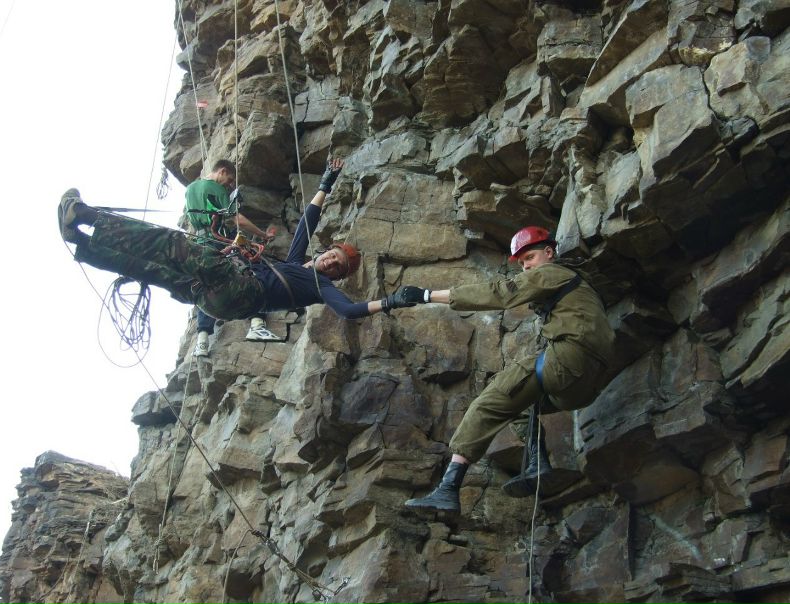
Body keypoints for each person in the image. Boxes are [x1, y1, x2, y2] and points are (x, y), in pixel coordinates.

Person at [57, 159, 422, 333]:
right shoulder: (294, 267)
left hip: (239, 289)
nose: (329, 262)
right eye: (331, 255)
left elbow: (351, 310)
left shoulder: (319, 288)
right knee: (157, 270)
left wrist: (389, 302)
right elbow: (306, 226)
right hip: (219, 300)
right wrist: (327, 181)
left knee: (172, 245)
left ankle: (85, 215)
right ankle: (84, 244)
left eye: (336, 266)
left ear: (336, 276)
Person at [398, 226, 615, 514]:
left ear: (549, 253)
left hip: (568, 361)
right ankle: (538, 463)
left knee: (489, 402)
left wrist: (427, 295)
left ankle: (448, 489)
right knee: (521, 404)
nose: (526, 266)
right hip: (586, 385)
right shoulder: (577, 288)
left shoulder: (552, 273)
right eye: (522, 262)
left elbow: (501, 292)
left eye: (531, 257)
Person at [184, 159, 278, 357]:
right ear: (222, 171)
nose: (229, 184)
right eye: (229, 179)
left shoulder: (190, 189)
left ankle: (202, 341)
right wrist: (262, 235)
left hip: (198, 245)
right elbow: (238, 220)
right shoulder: (216, 188)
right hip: (220, 242)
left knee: (205, 287)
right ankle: (257, 322)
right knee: (251, 269)